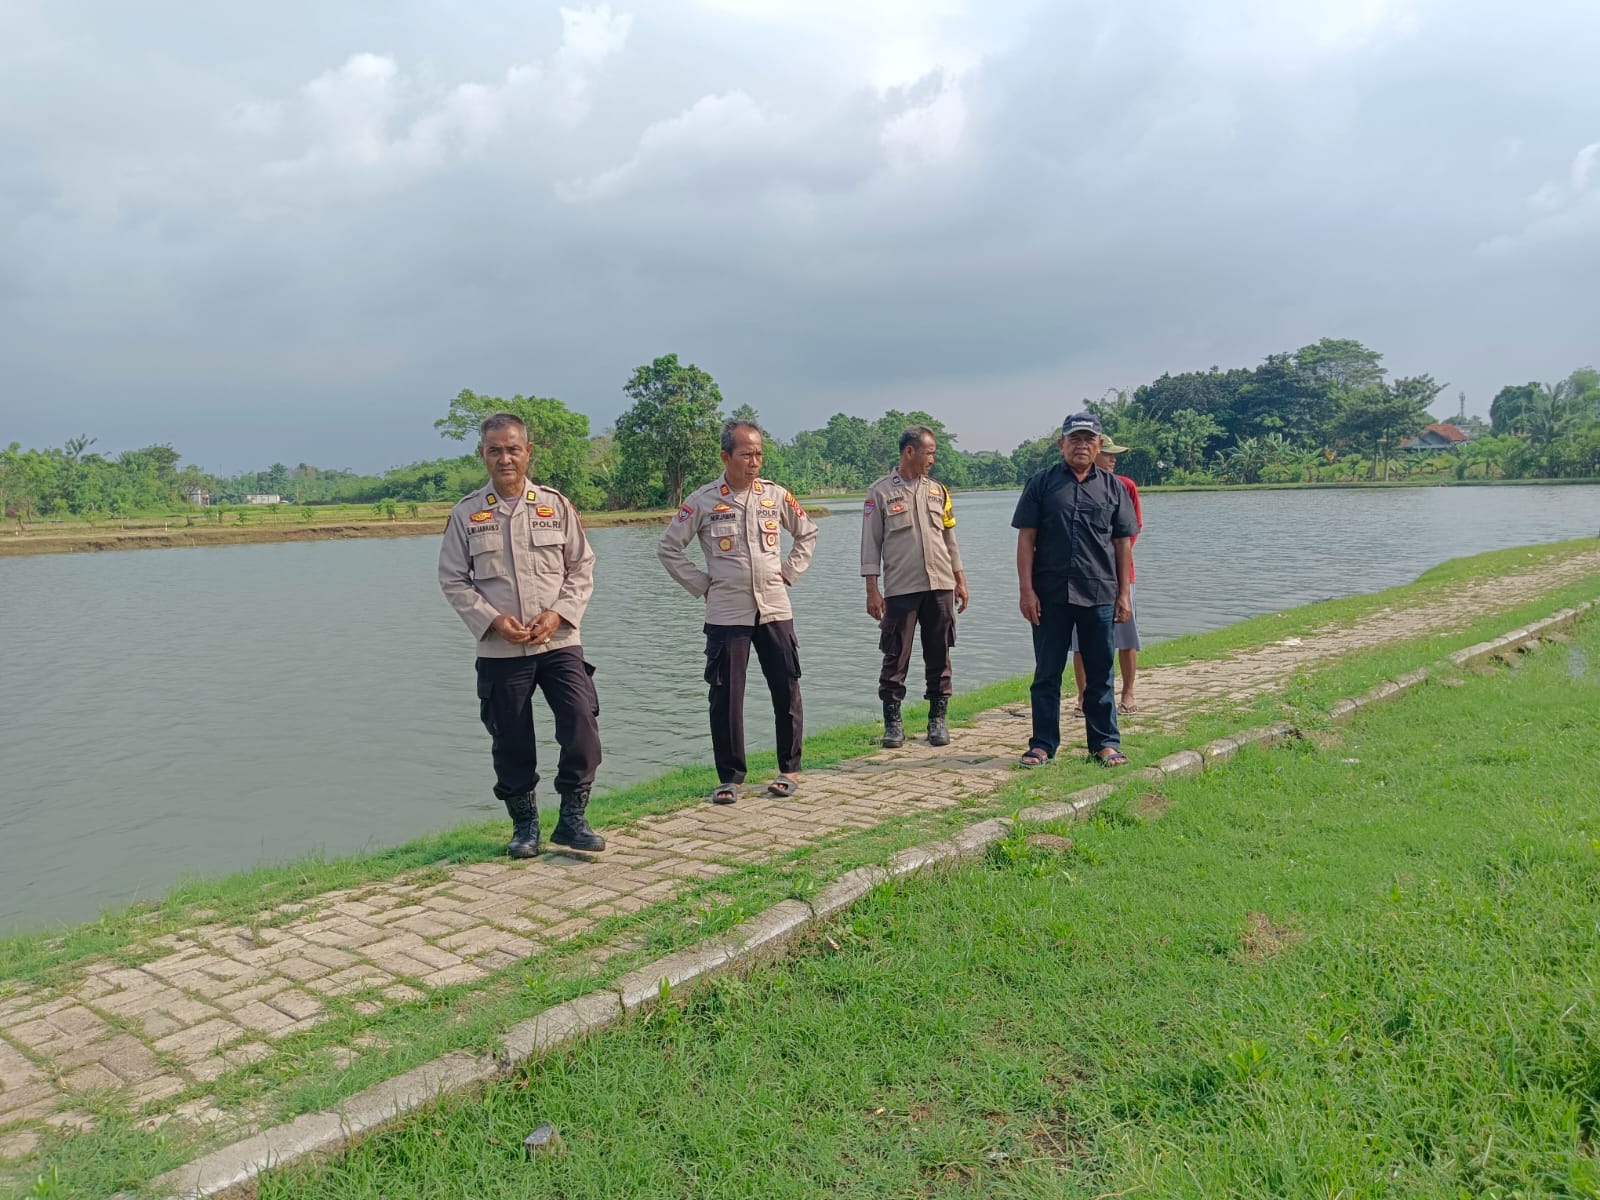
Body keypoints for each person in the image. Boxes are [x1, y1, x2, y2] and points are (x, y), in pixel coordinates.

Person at [438, 413, 605, 858]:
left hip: (559, 642)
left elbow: (582, 566)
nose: (505, 458)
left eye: (513, 449)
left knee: (581, 724)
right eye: (495, 450)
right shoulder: (466, 514)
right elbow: (453, 579)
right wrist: (493, 620)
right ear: (482, 455)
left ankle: (572, 819)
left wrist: (560, 613)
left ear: (528, 451)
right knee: (510, 739)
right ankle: (525, 826)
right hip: (500, 649)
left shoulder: (556, 505)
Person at [657, 419, 819, 804]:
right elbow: (668, 548)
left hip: (775, 608)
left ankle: (789, 769)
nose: (754, 461)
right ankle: (730, 778)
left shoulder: (775, 496)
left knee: (787, 688)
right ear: (725, 456)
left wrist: (789, 572)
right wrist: (701, 584)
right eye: (746, 454)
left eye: (759, 453)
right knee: (726, 696)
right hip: (727, 613)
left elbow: (807, 533)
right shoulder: (703, 501)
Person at [1012, 412, 1138, 768]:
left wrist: (1124, 593)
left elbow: (1122, 543)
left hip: (1099, 593)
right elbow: (1026, 539)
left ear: (1098, 445)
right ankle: (1042, 744)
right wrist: (1026, 591)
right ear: (1061, 444)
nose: (1081, 445)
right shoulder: (1041, 483)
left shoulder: (1113, 488)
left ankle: (1105, 743)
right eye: (1074, 439)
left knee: (1100, 673)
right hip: (1049, 595)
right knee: (1047, 674)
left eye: (1088, 439)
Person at [860, 425, 970, 748]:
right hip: (901, 590)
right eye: (929, 452)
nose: (932, 459)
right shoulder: (879, 493)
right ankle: (893, 724)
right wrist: (872, 589)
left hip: (940, 586)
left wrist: (960, 579)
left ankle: (937, 720)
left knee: (940, 654)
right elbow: (870, 545)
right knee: (895, 656)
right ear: (910, 451)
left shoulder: (939, 491)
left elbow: (950, 539)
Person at [1071, 438, 1143, 715]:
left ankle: (1127, 692)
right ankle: (1082, 696)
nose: (1113, 459)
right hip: (1086, 577)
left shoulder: (1126, 486)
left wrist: (1113, 562)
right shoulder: (1076, 485)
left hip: (1121, 575)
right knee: (1081, 640)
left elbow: (1131, 531)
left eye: (1116, 456)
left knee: (1126, 636)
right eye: (1109, 454)